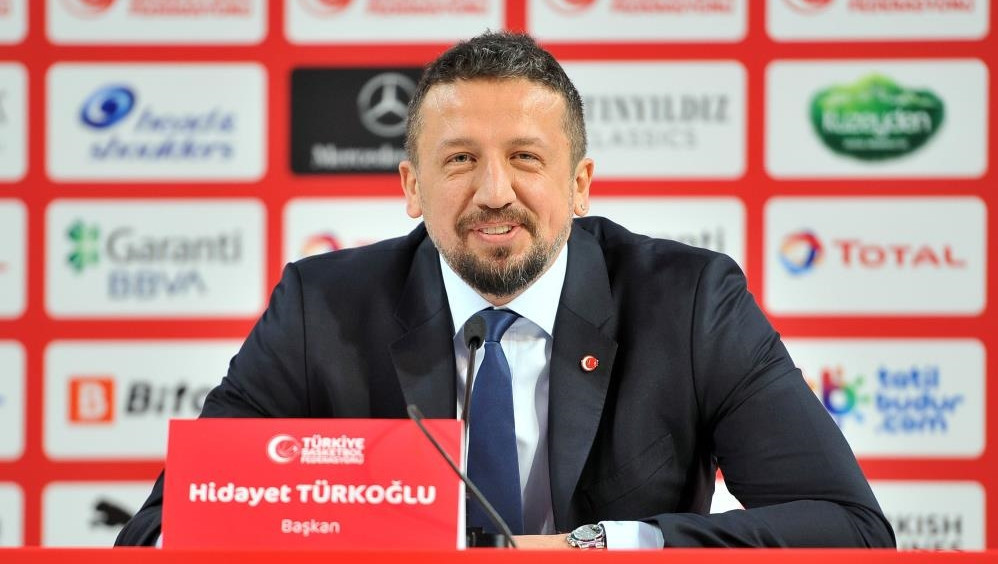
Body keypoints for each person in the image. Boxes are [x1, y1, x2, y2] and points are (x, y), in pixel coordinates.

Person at [116, 31, 895, 549]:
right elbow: (159, 533)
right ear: (412, 187)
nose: (494, 193)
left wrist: (601, 546)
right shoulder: (320, 309)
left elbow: (849, 528)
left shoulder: (690, 303)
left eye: (526, 158)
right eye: (459, 161)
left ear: (580, 184)